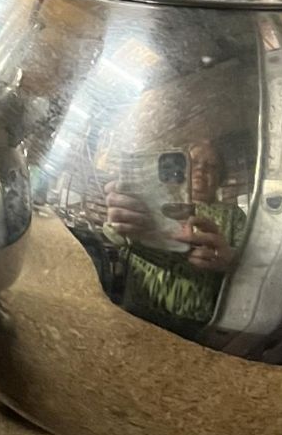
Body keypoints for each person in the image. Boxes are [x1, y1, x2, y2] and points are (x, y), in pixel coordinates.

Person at [102, 140, 245, 333]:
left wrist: (230, 260)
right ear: (181, 167)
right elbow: (117, 238)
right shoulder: (154, 199)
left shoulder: (234, 214)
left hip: (196, 325)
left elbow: (249, 262)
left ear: (220, 178)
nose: (201, 169)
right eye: (193, 162)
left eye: (211, 166)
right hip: (137, 311)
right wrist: (119, 220)